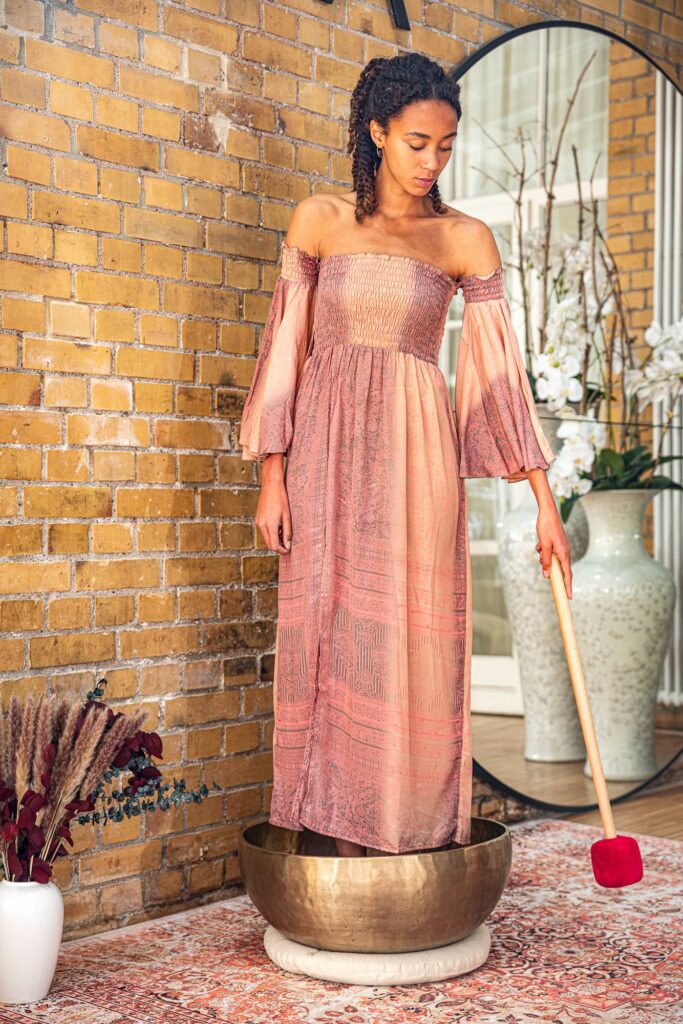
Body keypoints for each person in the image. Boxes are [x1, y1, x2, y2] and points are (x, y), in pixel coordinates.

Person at [238, 53, 572, 859]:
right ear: (377, 131)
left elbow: (498, 377)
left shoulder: (463, 238)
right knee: (327, 629)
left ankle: (400, 840)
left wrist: (543, 502)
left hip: (417, 455)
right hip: (323, 449)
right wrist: (272, 476)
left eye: (446, 146)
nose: (431, 162)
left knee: (404, 642)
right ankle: (331, 842)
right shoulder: (319, 221)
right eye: (418, 142)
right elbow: (285, 351)